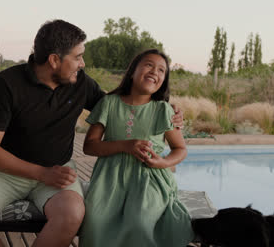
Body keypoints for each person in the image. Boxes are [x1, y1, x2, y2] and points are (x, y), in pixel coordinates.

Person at [0, 20, 184, 247]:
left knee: (72, 214)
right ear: (54, 60)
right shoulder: (6, 83)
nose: (82, 64)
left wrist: (167, 110)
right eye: (78, 57)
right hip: (7, 172)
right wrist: (41, 173)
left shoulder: (81, 83)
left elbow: (119, 108)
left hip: (60, 172)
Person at [79, 49, 194, 247]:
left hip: (149, 178)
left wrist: (163, 162)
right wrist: (125, 145)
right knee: (95, 221)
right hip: (109, 178)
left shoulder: (164, 110)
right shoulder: (108, 103)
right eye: (149, 65)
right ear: (132, 71)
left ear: (163, 81)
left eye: (161, 70)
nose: (154, 72)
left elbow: (180, 149)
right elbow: (89, 146)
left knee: (141, 222)